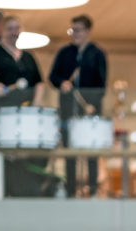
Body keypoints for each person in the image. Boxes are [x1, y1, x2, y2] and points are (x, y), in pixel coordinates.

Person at [50, 14, 108, 198]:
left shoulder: (97, 54)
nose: (74, 34)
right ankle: (70, 189)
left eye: (78, 30)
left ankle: (92, 188)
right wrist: (62, 83)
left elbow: (101, 84)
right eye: (72, 30)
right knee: (70, 150)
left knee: (91, 151)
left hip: (90, 111)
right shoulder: (65, 53)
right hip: (68, 110)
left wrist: (92, 103)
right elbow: (53, 76)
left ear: (87, 31)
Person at [0, 15, 46, 109]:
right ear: (2, 31)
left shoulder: (28, 56)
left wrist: (37, 102)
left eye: (17, 28)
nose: (14, 32)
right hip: (0, 108)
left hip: (24, 108)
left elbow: (39, 82)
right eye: (10, 29)